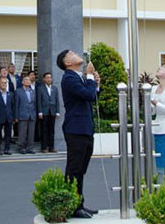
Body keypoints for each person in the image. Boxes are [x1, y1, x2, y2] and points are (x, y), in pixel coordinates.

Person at [59, 49, 99, 219]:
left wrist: (95, 83)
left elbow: (92, 96)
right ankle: (72, 206)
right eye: (72, 54)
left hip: (84, 128)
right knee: (74, 169)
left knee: (80, 170)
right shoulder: (68, 78)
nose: (76, 54)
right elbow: (88, 95)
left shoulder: (77, 77)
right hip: (76, 129)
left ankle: (78, 203)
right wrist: (90, 78)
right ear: (67, 63)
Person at [37, 72, 62, 153]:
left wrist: (58, 111)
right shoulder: (40, 88)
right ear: (44, 79)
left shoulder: (54, 88)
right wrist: (40, 111)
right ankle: (44, 147)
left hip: (52, 111)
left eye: (50, 78)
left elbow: (57, 100)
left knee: (51, 131)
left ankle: (51, 147)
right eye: (47, 78)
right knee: (44, 130)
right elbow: (39, 101)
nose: (49, 79)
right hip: (44, 112)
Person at [0, 77, 15, 155]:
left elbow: (13, 107)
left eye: (5, 83)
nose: (4, 84)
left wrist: (13, 117)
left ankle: (7, 149)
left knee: (8, 135)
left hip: (9, 117)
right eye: (2, 83)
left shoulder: (11, 94)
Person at [15, 75, 37, 154]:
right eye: (26, 80)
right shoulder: (18, 91)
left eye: (29, 80)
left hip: (32, 115)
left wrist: (35, 114)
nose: (28, 81)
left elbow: (34, 104)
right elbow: (16, 104)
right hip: (22, 114)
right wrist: (16, 116)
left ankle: (30, 148)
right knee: (22, 133)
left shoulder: (33, 91)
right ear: (22, 82)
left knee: (31, 133)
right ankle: (21, 147)